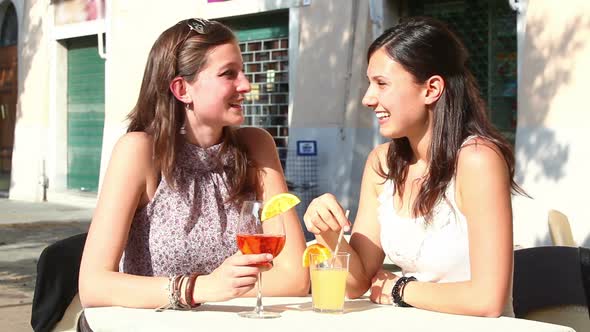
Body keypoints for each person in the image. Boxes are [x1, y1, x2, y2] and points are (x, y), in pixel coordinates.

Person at [79, 18, 309, 310]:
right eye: (228, 74)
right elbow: (93, 285)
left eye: (243, 72)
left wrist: (222, 290)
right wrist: (201, 288)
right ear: (182, 89)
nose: (246, 85)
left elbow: (295, 277)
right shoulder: (140, 152)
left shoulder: (256, 146)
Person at [303, 17, 525, 317]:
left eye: (381, 83)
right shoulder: (382, 164)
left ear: (431, 89)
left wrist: (400, 289)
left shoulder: (477, 160)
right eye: (370, 84)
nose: (368, 98)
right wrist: (328, 232)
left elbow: (488, 300)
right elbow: (356, 283)